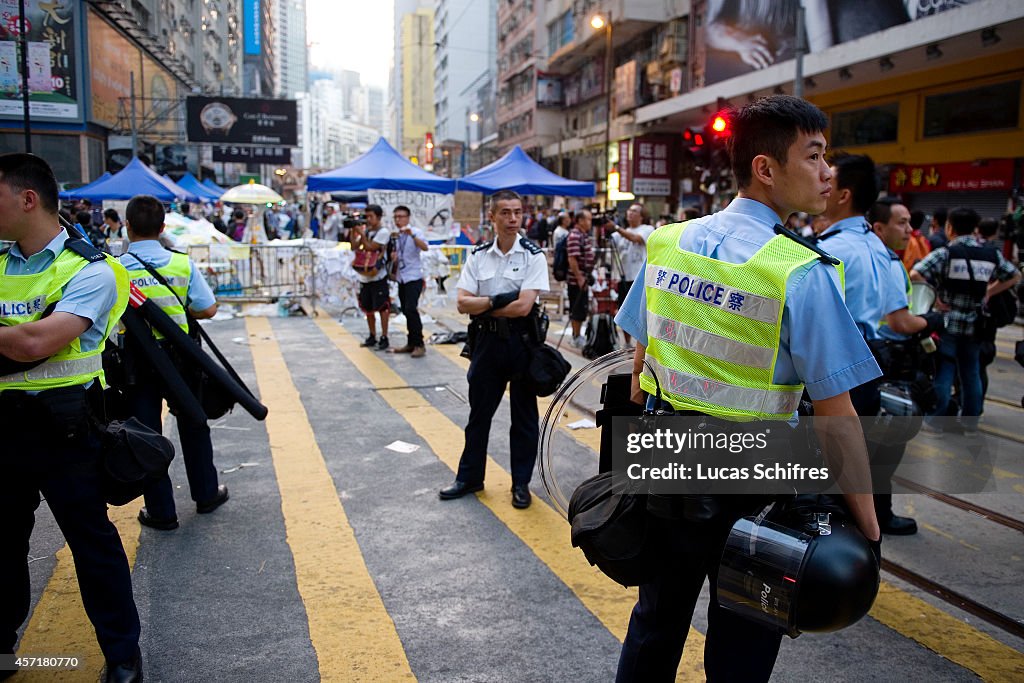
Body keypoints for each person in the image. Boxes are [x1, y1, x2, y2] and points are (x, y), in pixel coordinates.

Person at [612, 96, 882, 682]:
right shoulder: (799, 271)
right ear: (766, 167)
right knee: (741, 647)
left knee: (654, 625)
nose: (827, 172)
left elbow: (641, 364)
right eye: (814, 156)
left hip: (667, 460)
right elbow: (838, 415)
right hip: (757, 481)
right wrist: (868, 522)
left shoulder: (668, 243)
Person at [0, 153, 143, 682]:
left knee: (92, 545)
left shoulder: (94, 269)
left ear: (27, 198)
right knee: (1, 545)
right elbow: (22, 342)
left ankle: (123, 655)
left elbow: (38, 341)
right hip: (3, 431)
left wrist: (17, 341)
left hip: (67, 431)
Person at [817, 157, 941, 535]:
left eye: (829, 175)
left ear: (843, 195)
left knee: (832, 468)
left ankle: (838, 539)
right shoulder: (878, 250)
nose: (821, 177)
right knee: (865, 455)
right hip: (869, 365)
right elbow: (896, 315)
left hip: (836, 367)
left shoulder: (832, 249)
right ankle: (868, 528)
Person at [117, 194, 227, 531]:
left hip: (137, 361)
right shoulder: (181, 263)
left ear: (128, 227)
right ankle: (206, 494)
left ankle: (162, 512)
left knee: (146, 434)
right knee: (193, 422)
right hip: (181, 358)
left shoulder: (116, 268)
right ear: (163, 227)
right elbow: (207, 309)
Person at [439, 190, 549, 509]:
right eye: (505, 212)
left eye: (517, 212)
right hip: (486, 344)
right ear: (492, 217)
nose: (513, 218)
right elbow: (461, 303)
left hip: (522, 342)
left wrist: (482, 305)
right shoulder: (478, 254)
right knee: (479, 415)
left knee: (524, 416)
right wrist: (499, 301)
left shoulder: (533, 255)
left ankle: (521, 484)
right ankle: (470, 477)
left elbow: (523, 308)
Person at [911, 207, 1021, 433]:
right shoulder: (991, 254)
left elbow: (916, 273)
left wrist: (936, 297)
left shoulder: (948, 253)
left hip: (948, 322)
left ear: (950, 227)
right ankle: (971, 420)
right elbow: (1014, 275)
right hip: (976, 324)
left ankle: (936, 420)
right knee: (971, 372)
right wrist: (989, 292)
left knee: (945, 370)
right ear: (975, 228)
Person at [610, 203, 655, 346]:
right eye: (629, 210)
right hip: (623, 277)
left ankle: (640, 344)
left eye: (634, 211)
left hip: (639, 278)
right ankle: (627, 343)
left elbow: (636, 238)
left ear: (642, 216)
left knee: (641, 313)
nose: (630, 213)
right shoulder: (620, 233)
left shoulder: (647, 229)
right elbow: (607, 243)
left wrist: (616, 227)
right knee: (624, 310)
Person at [389, 205, 429, 357]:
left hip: (413, 276)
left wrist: (412, 235)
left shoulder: (415, 232)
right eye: (396, 217)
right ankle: (411, 342)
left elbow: (425, 247)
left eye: (401, 217)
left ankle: (419, 344)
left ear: (408, 217)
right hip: (401, 277)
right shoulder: (397, 235)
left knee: (411, 309)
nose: (398, 220)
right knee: (406, 310)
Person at [351, 204, 391, 350]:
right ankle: (372, 335)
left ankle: (384, 336)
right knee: (367, 307)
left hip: (378, 275)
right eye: (366, 216)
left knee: (382, 307)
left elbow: (370, 247)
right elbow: (354, 247)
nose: (368, 220)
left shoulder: (383, 232)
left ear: (378, 217)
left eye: (370, 217)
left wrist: (361, 233)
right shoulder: (367, 230)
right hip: (364, 276)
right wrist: (353, 231)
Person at [566, 209, 596, 347]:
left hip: (583, 279)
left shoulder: (583, 235)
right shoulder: (575, 235)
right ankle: (576, 336)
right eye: (588, 219)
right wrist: (579, 278)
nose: (590, 222)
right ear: (580, 221)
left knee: (581, 309)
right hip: (576, 281)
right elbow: (572, 258)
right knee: (577, 308)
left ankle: (577, 335)